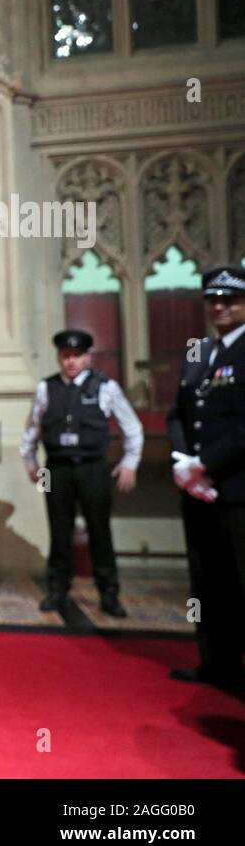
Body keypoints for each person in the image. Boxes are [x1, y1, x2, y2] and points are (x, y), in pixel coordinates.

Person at [20, 329, 143, 618]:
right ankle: (57, 590)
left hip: (93, 468)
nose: (70, 362)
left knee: (99, 531)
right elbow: (31, 432)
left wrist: (130, 462)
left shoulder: (106, 387)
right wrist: (31, 467)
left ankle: (109, 594)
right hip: (57, 469)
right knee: (59, 530)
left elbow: (132, 427)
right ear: (59, 358)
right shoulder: (45, 388)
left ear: (87, 357)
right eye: (65, 356)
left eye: (76, 356)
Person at [168, 264, 245, 692]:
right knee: (207, 582)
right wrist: (182, 460)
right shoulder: (199, 350)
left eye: (230, 299)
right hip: (196, 490)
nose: (220, 307)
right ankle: (217, 663)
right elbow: (179, 410)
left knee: (241, 580)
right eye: (213, 300)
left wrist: (205, 465)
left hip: (235, 488)